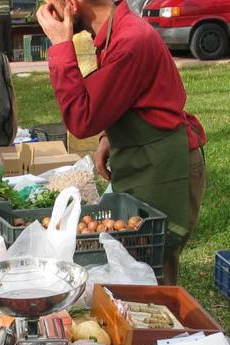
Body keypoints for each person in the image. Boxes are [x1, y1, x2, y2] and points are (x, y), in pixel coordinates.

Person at [35, 0, 205, 285]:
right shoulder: (116, 34)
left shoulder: (130, 41)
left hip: (166, 169)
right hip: (148, 158)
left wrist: (59, 45)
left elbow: (82, 118)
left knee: (150, 275)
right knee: (133, 268)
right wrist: (109, 136)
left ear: (72, 5)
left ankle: (163, 330)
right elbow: (124, 97)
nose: (46, 7)